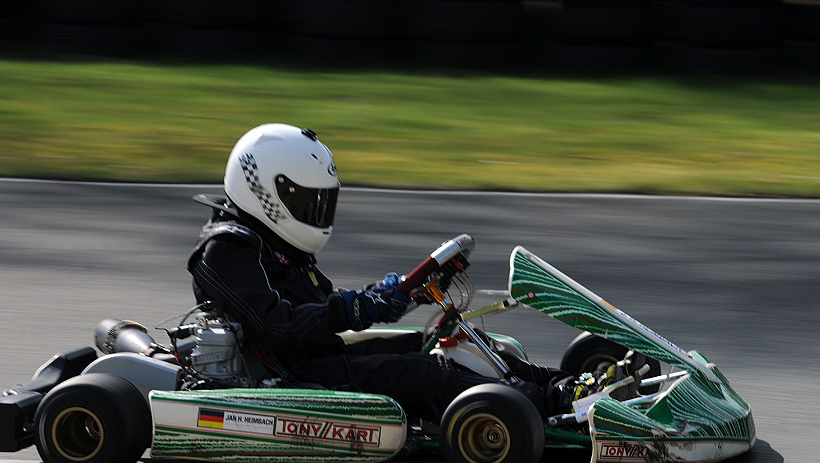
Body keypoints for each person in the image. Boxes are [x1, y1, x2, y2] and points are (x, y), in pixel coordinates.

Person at [187, 124, 634, 425]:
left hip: (316, 357)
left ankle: (570, 385)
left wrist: (393, 295)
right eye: (306, 200)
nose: (315, 213)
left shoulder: (273, 243)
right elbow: (276, 326)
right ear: (266, 190)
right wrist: (360, 306)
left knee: (445, 345)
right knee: (427, 373)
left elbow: (313, 310)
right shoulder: (225, 249)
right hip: (288, 377)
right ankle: (557, 410)